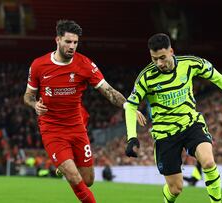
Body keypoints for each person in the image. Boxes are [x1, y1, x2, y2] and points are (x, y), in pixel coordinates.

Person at [23, 19, 146, 202]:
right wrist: (35, 105)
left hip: (76, 127)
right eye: (68, 42)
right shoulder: (39, 65)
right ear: (57, 40)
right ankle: (65, 165)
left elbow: (109, 91)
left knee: (87, 180)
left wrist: (128, 106)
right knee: (74, 177)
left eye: (75, 42)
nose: (72, 46)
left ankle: (64, 165)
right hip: (52, 129)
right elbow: (27, 96)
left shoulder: (85, 64)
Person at [123, 33, 222, 203]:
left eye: (162, 57)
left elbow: (217, 77)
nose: (159, 63)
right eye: (154, 59)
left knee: (208, 162)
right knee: (176, 189)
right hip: (165, 134)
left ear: (171, 51)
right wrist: (131, 137)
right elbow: (131, 105)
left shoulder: (190, 63)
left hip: (191, 124)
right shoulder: (146, 77)